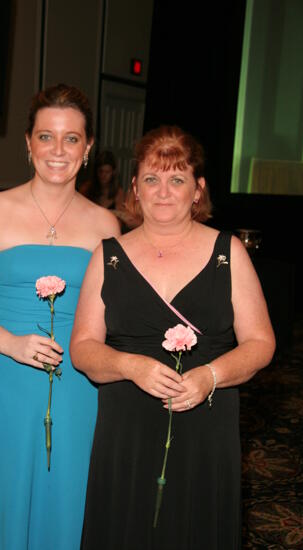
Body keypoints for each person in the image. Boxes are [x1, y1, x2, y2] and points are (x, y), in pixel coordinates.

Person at [70, 125, 275, 549]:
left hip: (205, 428)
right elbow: (83, 348)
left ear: (198, 190)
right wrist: (129, 365)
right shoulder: (107, 256)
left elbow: (260, 343)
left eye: (177, 179)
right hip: (126, 431)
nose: (163, 191)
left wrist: (210, 377)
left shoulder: (228, 252)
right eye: (151, 179)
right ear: (135, 189)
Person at [0, 83, 120, 550]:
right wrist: (12, 344)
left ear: (88, 147)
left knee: (66, 496)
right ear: (27, 143)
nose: (58, 150)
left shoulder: (105, 224)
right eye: (46, 136)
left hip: (77, 386)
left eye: (72, 138)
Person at [79, 150, 140, 230]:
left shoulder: (118, 192)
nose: (103, 175)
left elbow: (126, 218)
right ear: (96, 172)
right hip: (88, 228)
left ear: (113, 172)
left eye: (107, 172)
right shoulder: (86, 188)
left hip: (108, 230)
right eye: (101, 171)